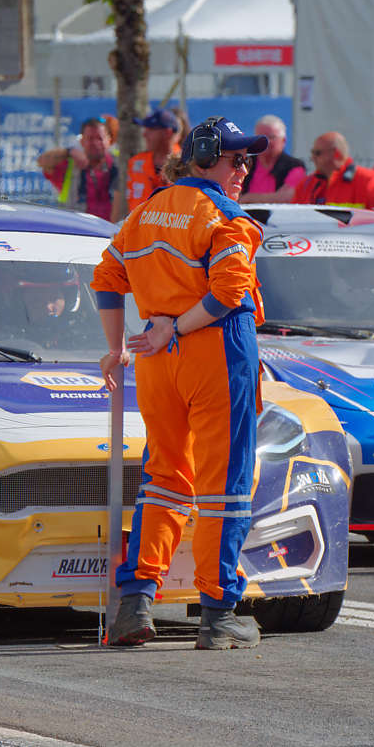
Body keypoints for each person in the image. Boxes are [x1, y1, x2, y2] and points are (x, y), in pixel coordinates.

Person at [93, 116, 269, 650]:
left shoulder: (144, 213)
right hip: (214, 351)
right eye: (236, 159)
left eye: (248, 161)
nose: (244, 170)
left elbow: (106, 278)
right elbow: (229, 293)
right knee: (225, 487)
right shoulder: (227, 218)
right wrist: (179, 327)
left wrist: (116, 347)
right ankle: (218, 615)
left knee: (164, 478)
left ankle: (135, 604)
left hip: (155, 359)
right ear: (207, 157)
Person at [39, 118, 121, 219]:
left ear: (109, 140)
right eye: (90, 139)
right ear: (82, 142)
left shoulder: (122, 164)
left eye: (100, 138)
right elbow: (42, 161)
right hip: (78, 227)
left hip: (115, 227)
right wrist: (68, 152)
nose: (95, 143)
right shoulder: (71, 166)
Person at [293, 132, 374, 208]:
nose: (312, 158)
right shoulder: (306, 185)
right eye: (312, 153)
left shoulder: (367, 181)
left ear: (336, 154)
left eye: (317, 153)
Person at [125, 108, 183, 210]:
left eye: (151, 130)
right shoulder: (135, 162)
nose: (144, 134)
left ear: (167, 133)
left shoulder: (186, 165)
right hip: (138, 219)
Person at [241, 115, 307, 202]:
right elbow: (232, 194)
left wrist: (248, 198)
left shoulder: (295, 166)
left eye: (272, 137)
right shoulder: (245, 163)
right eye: (261, 137)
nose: (267, 142)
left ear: (283, 140)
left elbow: (287, 198)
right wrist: (273, 197)